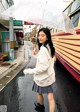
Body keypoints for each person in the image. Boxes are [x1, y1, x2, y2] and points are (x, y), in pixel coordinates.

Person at [23, 27, 56, 112]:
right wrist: (35, 55)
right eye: (39, 35)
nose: (40, 37)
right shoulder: (50, 47)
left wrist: (29, 71)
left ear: (47, 37)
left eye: (43, 35)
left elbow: (42, 67)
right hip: (50, 77)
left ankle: (41, 107)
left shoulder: (43, 49)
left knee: (39, 93)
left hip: (42, 78)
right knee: (51, 98)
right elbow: (46, 61)